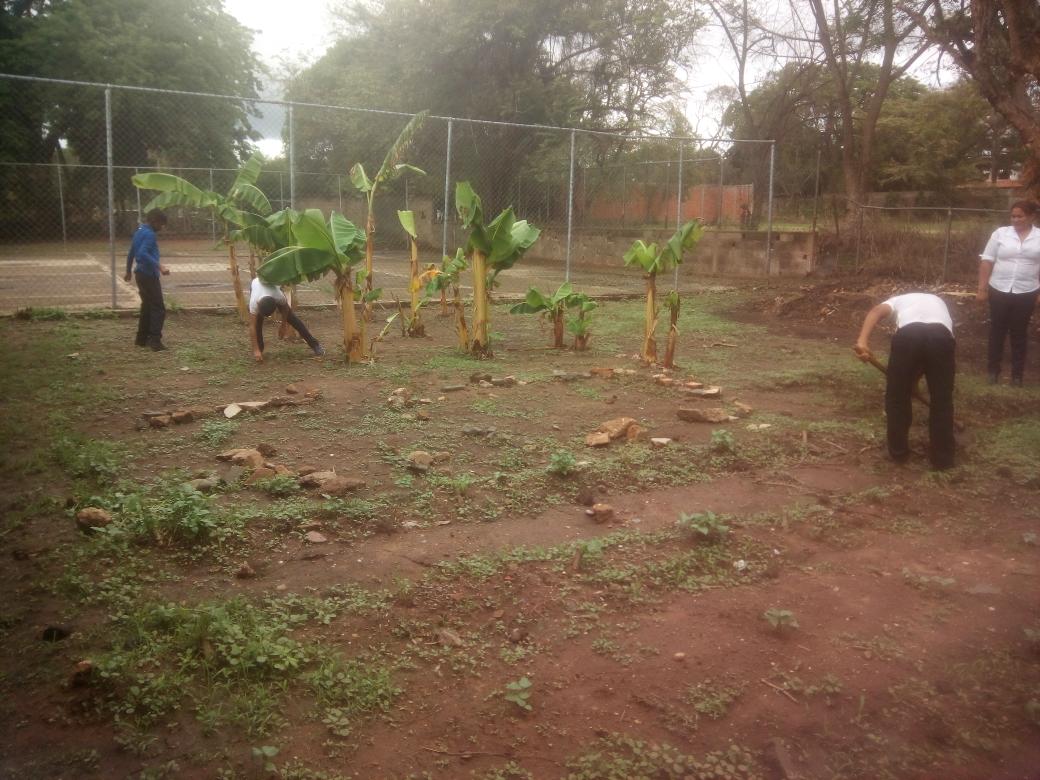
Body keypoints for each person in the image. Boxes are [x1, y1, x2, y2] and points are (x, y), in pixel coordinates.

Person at [854, 292, 955, 470]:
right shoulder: (939, 302)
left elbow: (876, 311)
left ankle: (898, 453)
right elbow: (925, 358)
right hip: (942, 338)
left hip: (908, 337)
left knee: (897, 397)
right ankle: (942, 459)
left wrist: (862, 341)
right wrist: (913, 384)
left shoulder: (897, 301)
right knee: (942, 400)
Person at [977, 199, 1040, 386]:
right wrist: (982, 288)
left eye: (1020, 216)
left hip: (1026, 291)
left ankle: (1017, 376)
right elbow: (987, 260)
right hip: (999, 289)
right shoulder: (1000, 234)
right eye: (1013, 216)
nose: (1015, 219)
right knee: (997, 330)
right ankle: (993, 371)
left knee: (1019, 333)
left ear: (1031, 216)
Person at [248, 276, 325, 362]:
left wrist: (283, 325)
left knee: (292, 318)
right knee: (257, 323)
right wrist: (256, 350)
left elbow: (285, 309)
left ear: (276, 303)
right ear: (258, 304)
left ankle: (315, 345)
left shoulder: (278, 296)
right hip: (256, 283)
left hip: (271, 289)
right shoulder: (254, 302)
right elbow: (252, 326)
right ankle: (259, 350)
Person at [124, 208, 170, 351]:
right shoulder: (150, 234)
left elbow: (131, 253)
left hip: (140, 275)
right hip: (149, 275)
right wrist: (159, 266)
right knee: (158, 308)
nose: (161, 228)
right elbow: (142, 254)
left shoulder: (139, 232)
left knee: (147, 306)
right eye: (161, 224)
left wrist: (128, 271)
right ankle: (155, 340)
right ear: (154, 221)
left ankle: (141, 338)